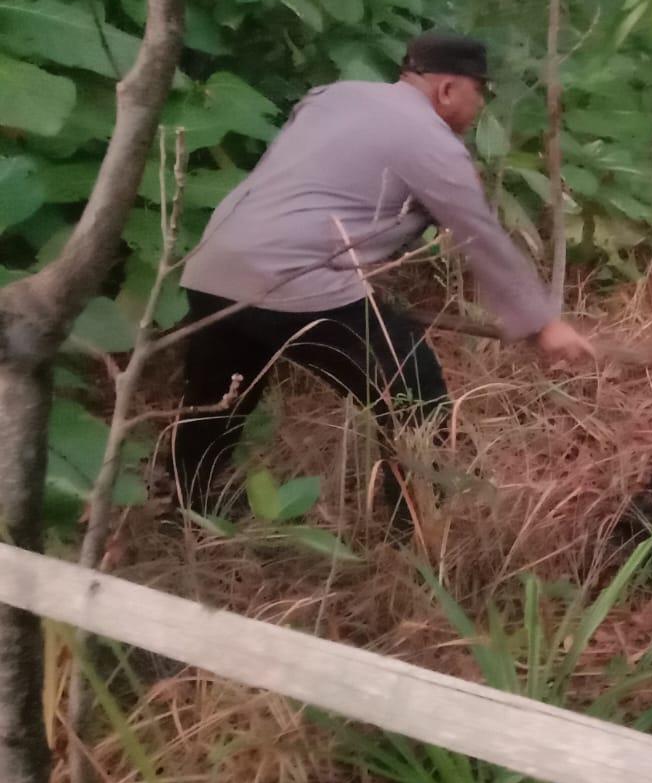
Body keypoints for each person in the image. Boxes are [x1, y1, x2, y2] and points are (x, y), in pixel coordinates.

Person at [171, 30, 593, 522]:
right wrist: (544, 324)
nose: (479, 108)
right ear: (449, 90)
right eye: (481, 93)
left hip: (214, 264)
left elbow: (338, 179)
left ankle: (187, 511)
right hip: (295, 278)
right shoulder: (432, 141)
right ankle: (416, 533)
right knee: (416, 394)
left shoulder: (333, 96)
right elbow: (482, 237)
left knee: (215, 401)